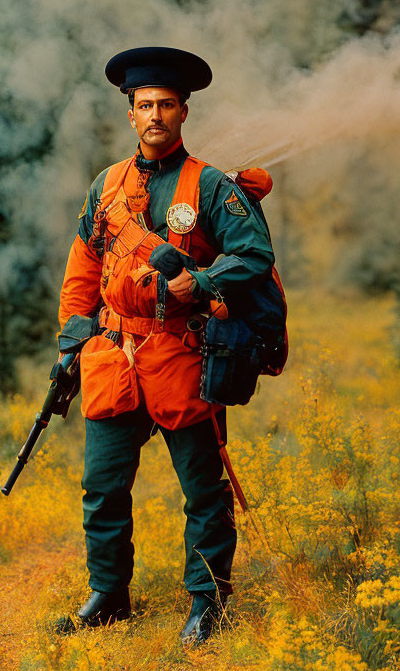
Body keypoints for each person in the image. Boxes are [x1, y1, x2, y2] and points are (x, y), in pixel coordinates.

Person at [55, 47, 276, 645]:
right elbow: (84, 267)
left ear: (183, 112)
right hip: (114, 355)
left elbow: (254, 256)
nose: (155, 115)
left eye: (166, 105)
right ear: (130, 113)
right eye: (144, 105)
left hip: (184, 353)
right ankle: (107, 595)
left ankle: (207, 602)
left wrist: (201, 283)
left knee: (203, 490)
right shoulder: (105, 185)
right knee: (102, 489)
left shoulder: (207, 185)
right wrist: (71, 342)